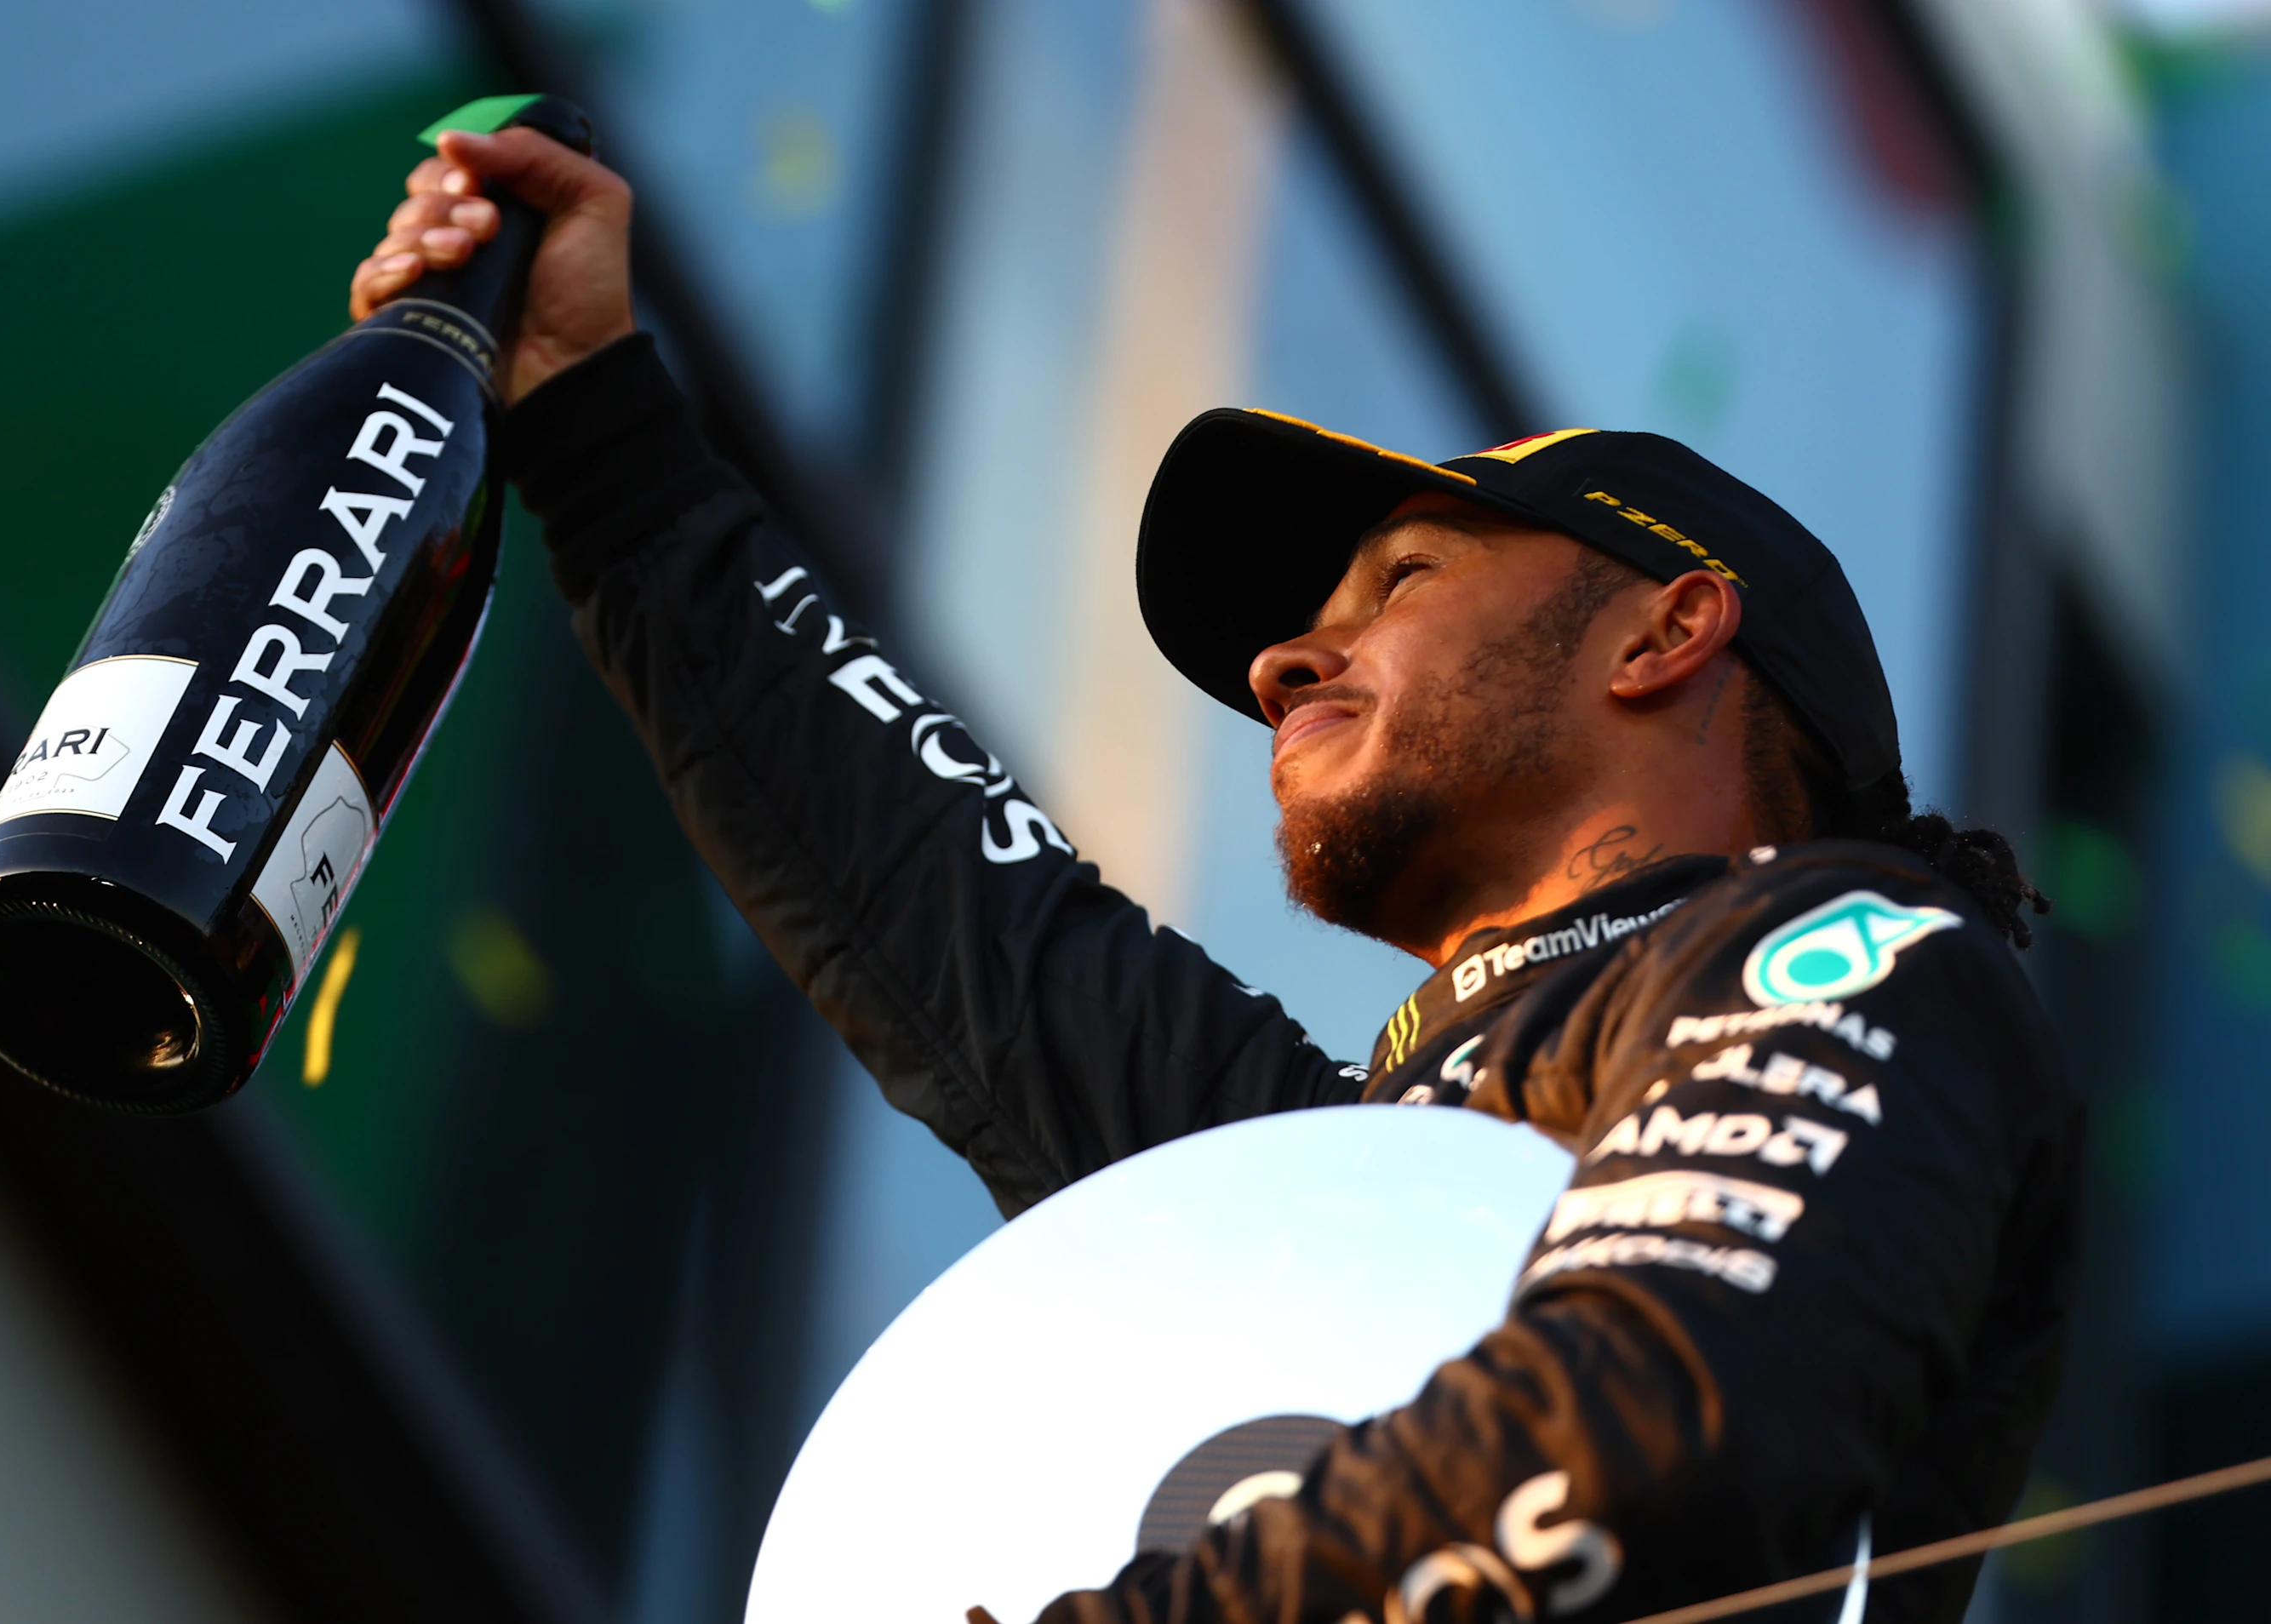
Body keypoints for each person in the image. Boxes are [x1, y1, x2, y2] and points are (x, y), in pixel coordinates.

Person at [350, 127, 2081, 1624]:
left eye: (1397, 578)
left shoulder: (1858, 955)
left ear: (1668, 628)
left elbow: (1676, 1424)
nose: (1279, 665)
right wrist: (594, 428)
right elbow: (945, 905)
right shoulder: (1338, 1176)